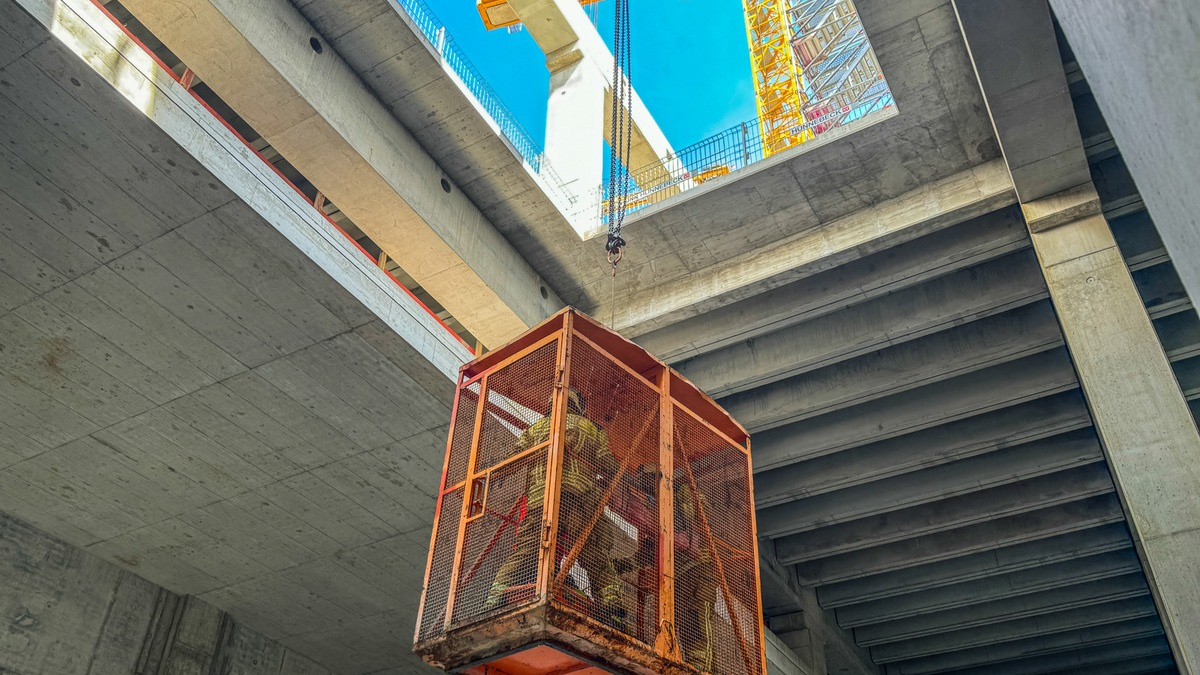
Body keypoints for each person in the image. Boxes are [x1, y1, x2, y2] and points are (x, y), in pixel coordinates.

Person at [485, 388, 627, 630]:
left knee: (527, 551)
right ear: (579, 405)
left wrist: (496, 474)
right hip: (581, 501)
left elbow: (515, 457)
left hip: (542, 501)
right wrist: (628, 478)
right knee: (595, 556)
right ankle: (612, 609)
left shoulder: (535, 429)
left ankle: (494, 599)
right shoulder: (592, 429)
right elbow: (607, 463)